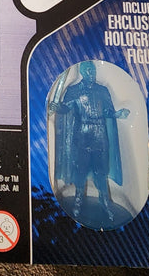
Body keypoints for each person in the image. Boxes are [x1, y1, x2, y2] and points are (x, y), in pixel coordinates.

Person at [49, 61, 130, 222]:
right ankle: (78, 200)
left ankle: (105, 201)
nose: (91, 73)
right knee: (80, 170)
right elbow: (66, 108)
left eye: (92, 70)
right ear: (82, 72)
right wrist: (57, 107)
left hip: (100, 136)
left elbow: (107, 111)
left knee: (101, 171)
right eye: (87, 70)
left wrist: (117, 114)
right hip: (82, 136)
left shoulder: (102, 90)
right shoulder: (74, 90)